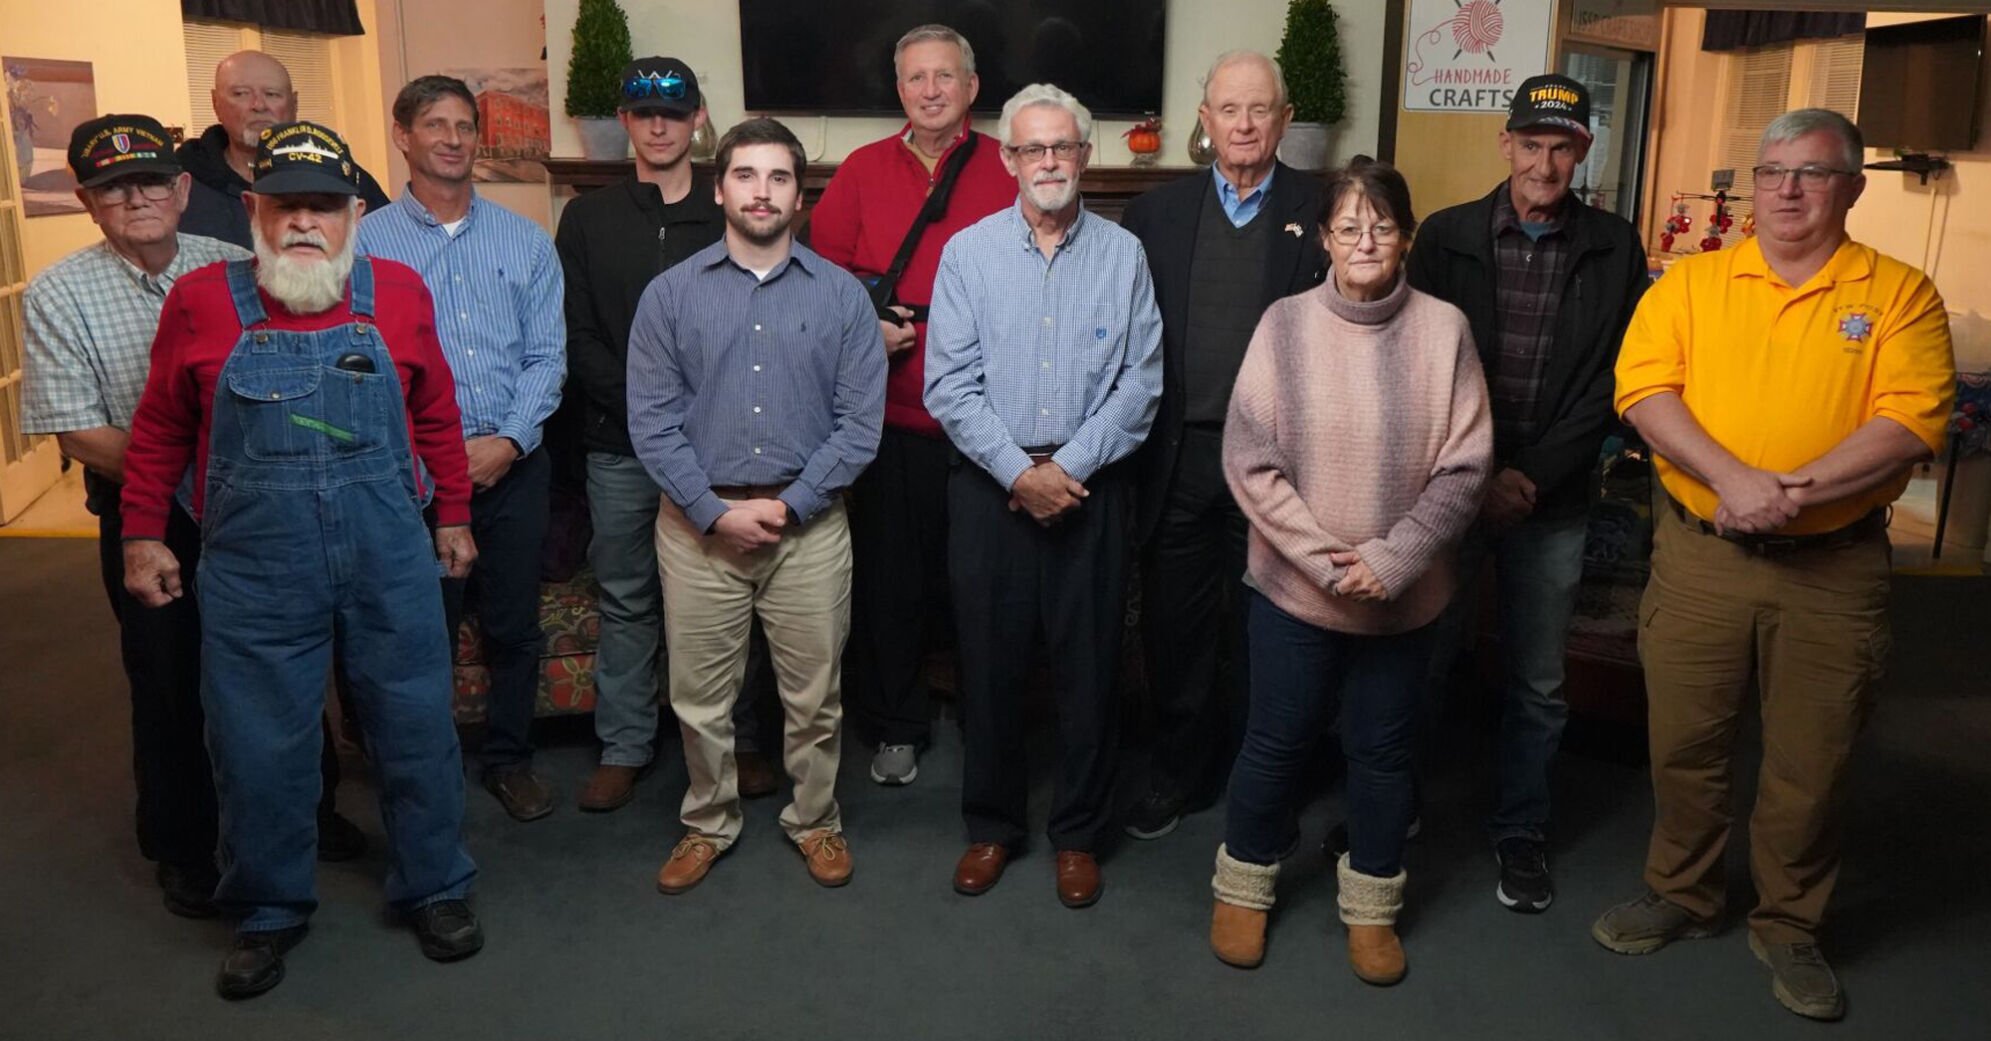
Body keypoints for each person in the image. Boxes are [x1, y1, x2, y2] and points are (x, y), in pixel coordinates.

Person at [1594, 108, 1953, 1022]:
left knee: (1812, 757)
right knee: (1684, 742)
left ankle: (1789, 921)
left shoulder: (1901, 293)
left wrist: (1789, 488)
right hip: (1700, 554)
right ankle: (1680, 890)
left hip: (1831, 571)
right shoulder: (1690, 283)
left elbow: (1912, 418)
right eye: (1772, 172)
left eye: (1813, 172)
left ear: (1851, 187)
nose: (1788, 190)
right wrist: (1732, 480)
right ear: (1750, 185)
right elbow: (1642, 387)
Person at [120, 121, 484, 999]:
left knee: (414, 727)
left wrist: (455, 513)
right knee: (255, 742)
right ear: (254, 209)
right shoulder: (204, 301)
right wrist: (142, 533)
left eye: (324, 206)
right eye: (286, 206)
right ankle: (266, 907)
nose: (304, 224)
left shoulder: (397, 293)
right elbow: (162, 426)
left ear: (355, 213)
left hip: (387, 553)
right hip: (255, 566)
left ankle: (435, 883)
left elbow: (435, 413)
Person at [1207, 159, 1491, 984]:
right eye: (1347, 226)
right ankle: (1244, 885)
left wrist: (1391, 559)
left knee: (1383, 752)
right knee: (1274, 741)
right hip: (1296, 589)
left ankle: (1371, 905)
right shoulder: (1283, 325)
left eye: (1381, 225)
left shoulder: (1445, 330)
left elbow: (1465, 467)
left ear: (1405, 234)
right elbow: (1249, 459)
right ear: (1324, 238)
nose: (1364, 240)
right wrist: (1331, 563)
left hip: (1404, 598)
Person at [1403, 73, 1649, 911]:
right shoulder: (1443, 237)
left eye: (1562, 147)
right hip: (1451, 491)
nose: (1545, 163)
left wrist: (1531, 476)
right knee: (1421, 658)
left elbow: (1615, 381)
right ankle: (1392, 810)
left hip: (1555, 498)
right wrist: (1479, 474)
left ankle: (1519, 828)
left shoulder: (1617, 247)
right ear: (1505, 143)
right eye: (1532, 143)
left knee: (1538, 682)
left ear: (1583, 151)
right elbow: (1422, 367)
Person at [628, 117, 886, 894]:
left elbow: (859, 423)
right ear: (720, 188)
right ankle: (707, 823)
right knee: (701, 699)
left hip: (807, 530)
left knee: (814, 697)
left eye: (778, 178)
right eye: (746, 175)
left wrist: (792, 505)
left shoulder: (842, 297)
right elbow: (651, 418)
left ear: (798, 196)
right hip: (697, 528)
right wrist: (713, 510)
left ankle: (815, 820)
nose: (761, 191)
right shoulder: (669, 296)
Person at [925, 84, 1162, 908]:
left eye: (1062, 147)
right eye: (1032, 149)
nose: (1048, 162)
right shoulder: (967, 253)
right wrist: (1018, 474)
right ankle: (992, 826)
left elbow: (1140, 384)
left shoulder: (1124, 256)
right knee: (987, 668)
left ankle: (1078, 834)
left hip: (1090, 492)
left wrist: (1070, 470)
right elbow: (948, 386)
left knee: (1089, 668)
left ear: (1084, 157)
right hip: (990, 492)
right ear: (1008, 160)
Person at [21, 114, 249, 918]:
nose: (138, 197)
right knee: (168, 679)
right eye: (115, 187)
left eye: (152, 180)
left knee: (271, 663)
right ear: (88, 200)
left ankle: (310, 811)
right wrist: (182, 484)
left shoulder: (236, 265)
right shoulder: (58, 294)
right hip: (149, 516)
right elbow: (78, 428)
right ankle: (183, 845)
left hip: (255, 510)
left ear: (183, 189)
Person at [556, 57, 777, 811]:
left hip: (715, 449)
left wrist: (691, 426)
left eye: (674, 114)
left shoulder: (729, 212)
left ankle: (742, 740)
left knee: (730, 596)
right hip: (618, 444)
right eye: (644, 113)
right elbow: (577, 335)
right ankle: (624, 744)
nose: (658, 126)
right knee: (626, 595)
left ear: (697, 122)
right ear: (624, 120)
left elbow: (754, 332)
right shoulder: (586, 217)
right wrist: (647, 415)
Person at [1118, 50, 1327, 840]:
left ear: (1282, 119)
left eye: (1259, 109)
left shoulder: (1323, 207)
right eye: (1228, 110)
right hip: (1178, 456)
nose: (1243, 125)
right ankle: (1177, 771)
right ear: (1204, 122)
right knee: (1176, 627)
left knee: (1271, 627)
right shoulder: (1154, 216)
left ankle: (1265, 773)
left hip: (1279, 464)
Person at [810, 23, 1015, 787]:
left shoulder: (1009, 166)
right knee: (890, 583)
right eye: (916, 78)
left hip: (988, 427)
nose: (930, 90)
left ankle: (984, 715)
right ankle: (896, 723)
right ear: (899, 90)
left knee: (981, 584)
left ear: (971, 88)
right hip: (889, 417)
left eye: (945, 77)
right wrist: (864, 331)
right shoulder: (861, 170)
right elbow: (821, 282)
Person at [360, 76, 566, 821]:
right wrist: (439, 459)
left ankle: (510, 758)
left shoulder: (525, 240)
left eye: (464, 126)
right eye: (435, 125)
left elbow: (548, 356)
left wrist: (508, 440)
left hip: (513, 466)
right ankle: (425, 771)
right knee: (421, 631)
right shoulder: (364, 245)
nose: (452, 138)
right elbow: (360, 367)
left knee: (514, 624)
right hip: (409, 475)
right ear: (403, 135)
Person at [177, 50, 390, 246]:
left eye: (272, 94)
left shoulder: (342, 177)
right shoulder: (182, 185)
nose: (258, 105)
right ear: (215, 103)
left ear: (294, 104)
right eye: (241, 94)